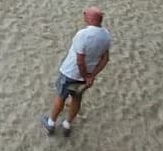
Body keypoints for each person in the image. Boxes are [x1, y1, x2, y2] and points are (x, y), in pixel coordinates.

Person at [41, 7, 111, 137]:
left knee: (60, 97)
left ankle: (50, 124)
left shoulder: (82, 34)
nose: (83, 15)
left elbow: (79, 60)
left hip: (70, 73)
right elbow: (105, 59)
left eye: (85, 14)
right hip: (86, 76)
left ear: (91, 18)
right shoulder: (106, 35)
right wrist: (91, 75)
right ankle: (67, 125)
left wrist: (85, 75)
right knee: (77, 99)